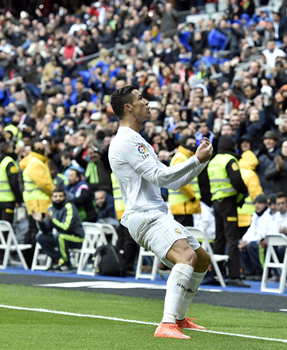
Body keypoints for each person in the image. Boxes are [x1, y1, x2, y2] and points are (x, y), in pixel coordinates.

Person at [109, 85, 212, 340]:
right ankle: (166, 324)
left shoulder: (137, 139)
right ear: (128, 107)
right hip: (145, 215)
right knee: (186, 256)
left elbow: (172, 183)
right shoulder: (126, 140)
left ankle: (179, 318)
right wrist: (196, 160)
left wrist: (201, 161)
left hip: (155, 214)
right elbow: (159, 175)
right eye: (141, 98)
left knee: (201, 259)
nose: (147, 102)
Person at [208, 135, 249, 287]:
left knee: (219, 238)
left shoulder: (213, 161)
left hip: (216, 203)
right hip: (229, 203)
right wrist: (244, 193)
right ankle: (234, 276)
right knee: (232, 239)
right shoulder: (230, 160)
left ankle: (217, 274)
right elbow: (237, 181)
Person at [33, 187, 84, 272]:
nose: (58, 198)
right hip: (60, 238)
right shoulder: (50, 208)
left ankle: (67, 264)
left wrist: (52, 220)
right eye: (56, 196)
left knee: (59, 236)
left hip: (76, 238)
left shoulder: (69, 206)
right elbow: (46, 230)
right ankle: (57, 261)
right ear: (52, 198)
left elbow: (65, 228)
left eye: (60, 196)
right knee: (40, 237)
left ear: (64, 197)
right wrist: (41, 222)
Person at [0, 141, 23, 262]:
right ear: (9, 149)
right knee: (5, 229)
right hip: (8, 199)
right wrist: (18, 199)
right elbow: (14, 183)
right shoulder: (9, 162)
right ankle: (1, 257)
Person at [168, 135, 201, 227]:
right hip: (183, 204)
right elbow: (180, 181)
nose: (193, 146)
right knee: (185, 236)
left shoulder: (186, 157)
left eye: (194, 144)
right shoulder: (181, 158)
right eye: (190, 144)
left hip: (185, 205)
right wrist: (192, 196)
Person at [238, 194, 270, 281]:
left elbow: (262, 234)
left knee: (251, 245)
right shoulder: (255, 215)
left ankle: (260, 272)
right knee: (240, 243)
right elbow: (251, 230)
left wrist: (247, 242)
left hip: (264, 241)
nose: (257, 205)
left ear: (265, 204)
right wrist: (244, 240)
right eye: (255, 203)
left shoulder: (268, 215)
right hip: (254, 240)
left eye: (260, 203)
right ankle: (248, 271)